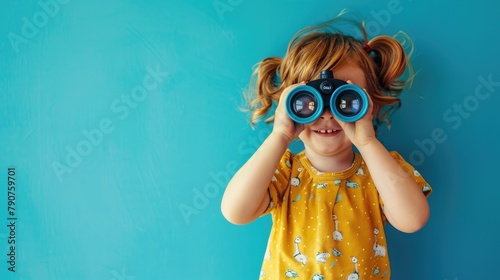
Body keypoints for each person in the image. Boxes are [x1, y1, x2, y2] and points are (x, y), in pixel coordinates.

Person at [221, 12, 432, 279]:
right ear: (290, 105)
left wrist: (367, 142)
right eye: (310, 101)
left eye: (345, 100)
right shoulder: (284, 170)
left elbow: (413, 220)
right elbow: (235, 212)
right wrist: (280, 135)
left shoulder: (381, 169)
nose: (327, 114)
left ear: (369, 106)